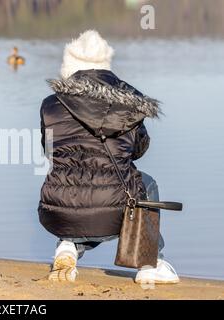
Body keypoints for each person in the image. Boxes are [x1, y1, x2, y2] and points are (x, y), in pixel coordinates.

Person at [38, 30, 179, 284]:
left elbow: (50, 152)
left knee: (77, 186)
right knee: (146, 183)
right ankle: (149, 263)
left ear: (69, 66)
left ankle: (68, 246)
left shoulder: (51, 104)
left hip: (58, 207)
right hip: (114, 206)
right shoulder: (130, 102)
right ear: (106, 66)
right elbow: (137, 151)